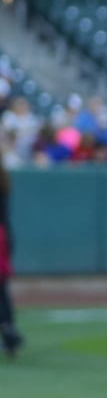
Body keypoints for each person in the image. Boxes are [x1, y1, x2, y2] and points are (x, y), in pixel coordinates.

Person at [0, 152, 20, 358]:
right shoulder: (4, 178)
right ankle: (9, 330)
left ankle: (9, 333)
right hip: (3, 236)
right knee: (2, 289)